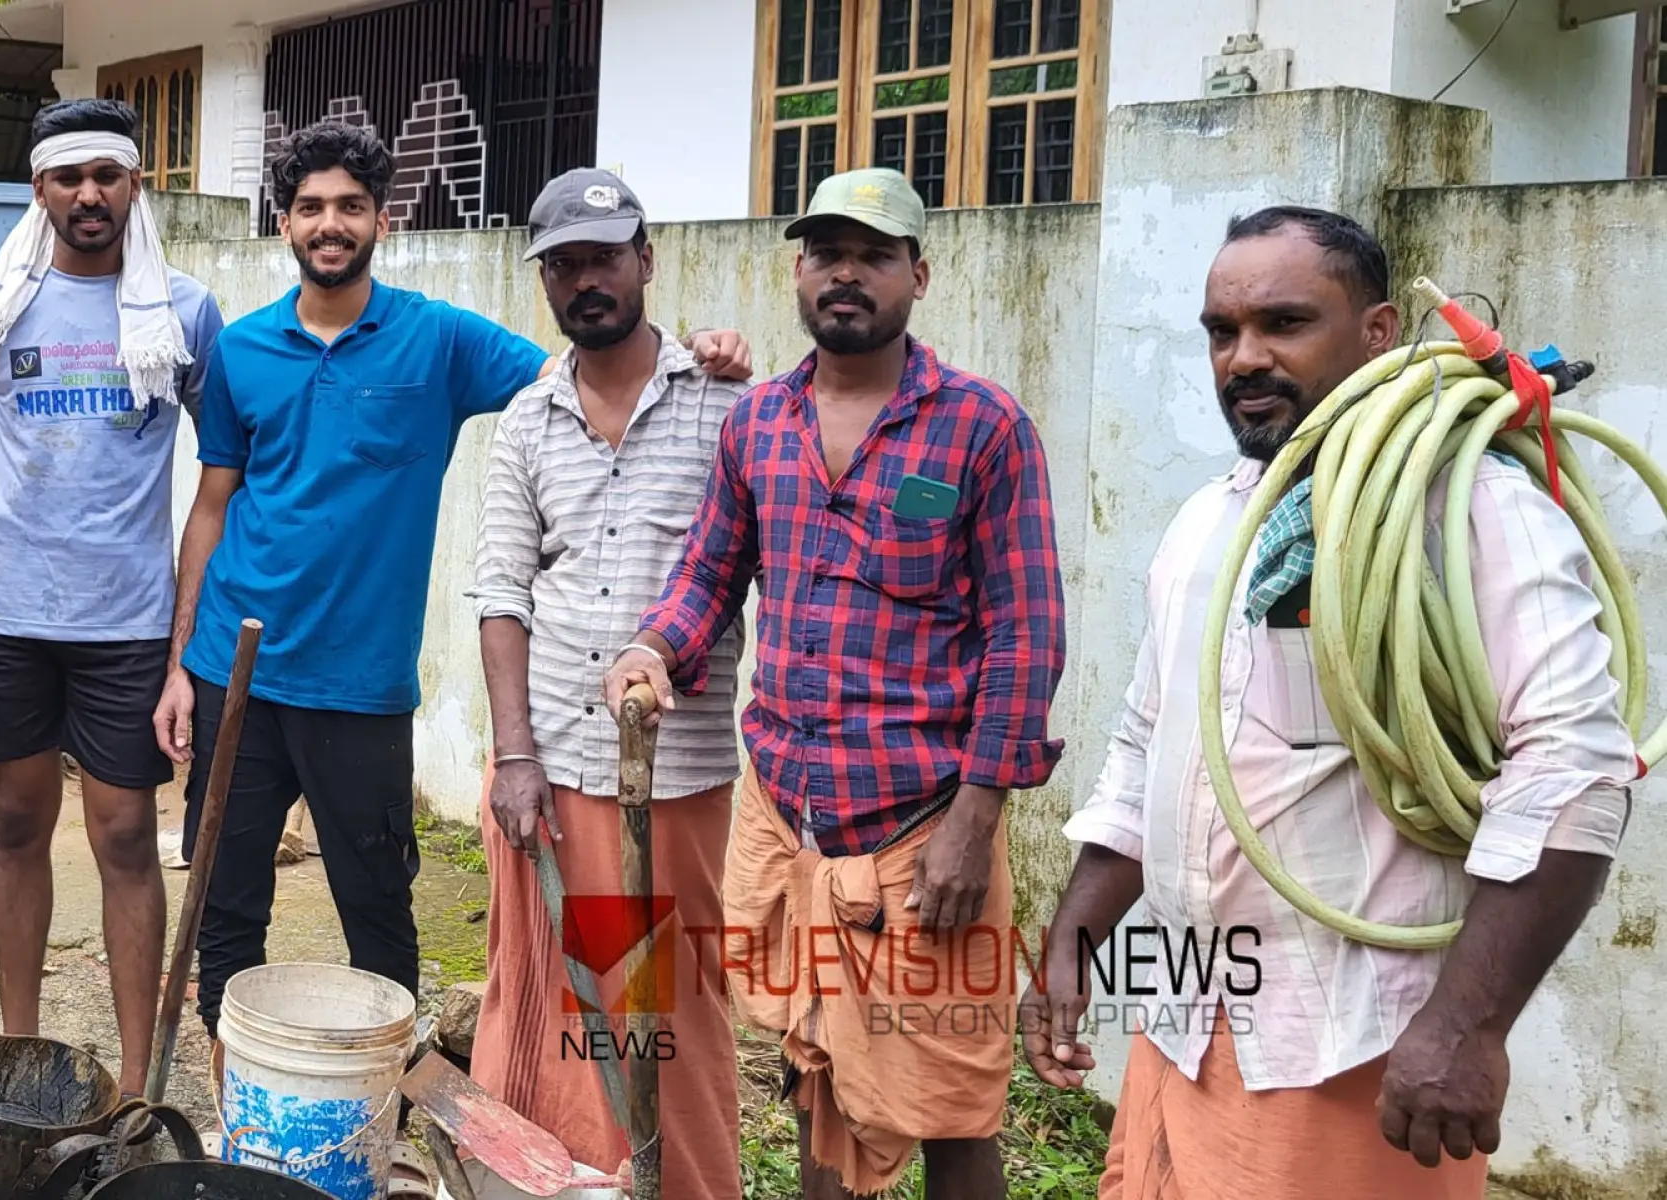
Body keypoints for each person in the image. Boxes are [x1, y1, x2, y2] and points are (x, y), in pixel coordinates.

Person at [151, 120, 747, 1189]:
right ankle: (239, 1105)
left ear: (383, 219)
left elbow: (583, 370)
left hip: (361, 688)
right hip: (230, 665)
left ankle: (363, 1132)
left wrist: (704, 353)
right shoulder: (240, 351)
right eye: (308, 207)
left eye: (348, 205)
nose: (328, 224)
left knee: (375, 906)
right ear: (282, 221)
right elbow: (211, 502)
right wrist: (172, 663)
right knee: (225, 897)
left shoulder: (441, 342)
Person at [1019, 206, 1637, 1199]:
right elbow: (1146, 746)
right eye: (1221, 332)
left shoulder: (1469, 506)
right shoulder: (1207, 521)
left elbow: (1573, 772)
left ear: (1377, 331)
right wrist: (1070, 944)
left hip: (1352, 1049)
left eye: (1282, 323)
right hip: (1183, 1024)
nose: (1243, 357)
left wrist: (1466, 1027)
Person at [603, 167, 1067, 1200]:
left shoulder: (981, 428)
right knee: (816, 1077)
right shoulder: (757, 424)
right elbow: (708, 579)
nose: (843, 275)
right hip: (789, 821)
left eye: (870, 254)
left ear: (918, 274)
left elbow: (1024, 640)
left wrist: (975, 819)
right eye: (822, 253)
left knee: (947, 1105)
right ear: (798, 273)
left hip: (919, 830)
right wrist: (651, 649)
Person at [0, 98, 224, 1099]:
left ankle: (135, 1085)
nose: (89, 193)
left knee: (126, 835)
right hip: (6, 616)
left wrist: (185, 641)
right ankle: (20, 1058)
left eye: (107, 175)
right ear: (38, 189)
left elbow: (222, 472)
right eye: (68, 176)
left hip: (126, 624)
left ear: (135, 186)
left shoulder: (184, 310)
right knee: (14, 824)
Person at [466, 168, 748, 1197]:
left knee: (661, 1009)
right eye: (564, 265)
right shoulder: (527, 420)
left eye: (602, 258)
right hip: (549, 764)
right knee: (544, 1001)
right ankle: (555, 1181)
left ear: (645, 261)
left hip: (672, 774)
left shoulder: (727, 406)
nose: (585, 281)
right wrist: (513, 756)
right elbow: (501, 595)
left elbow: (744, 564)